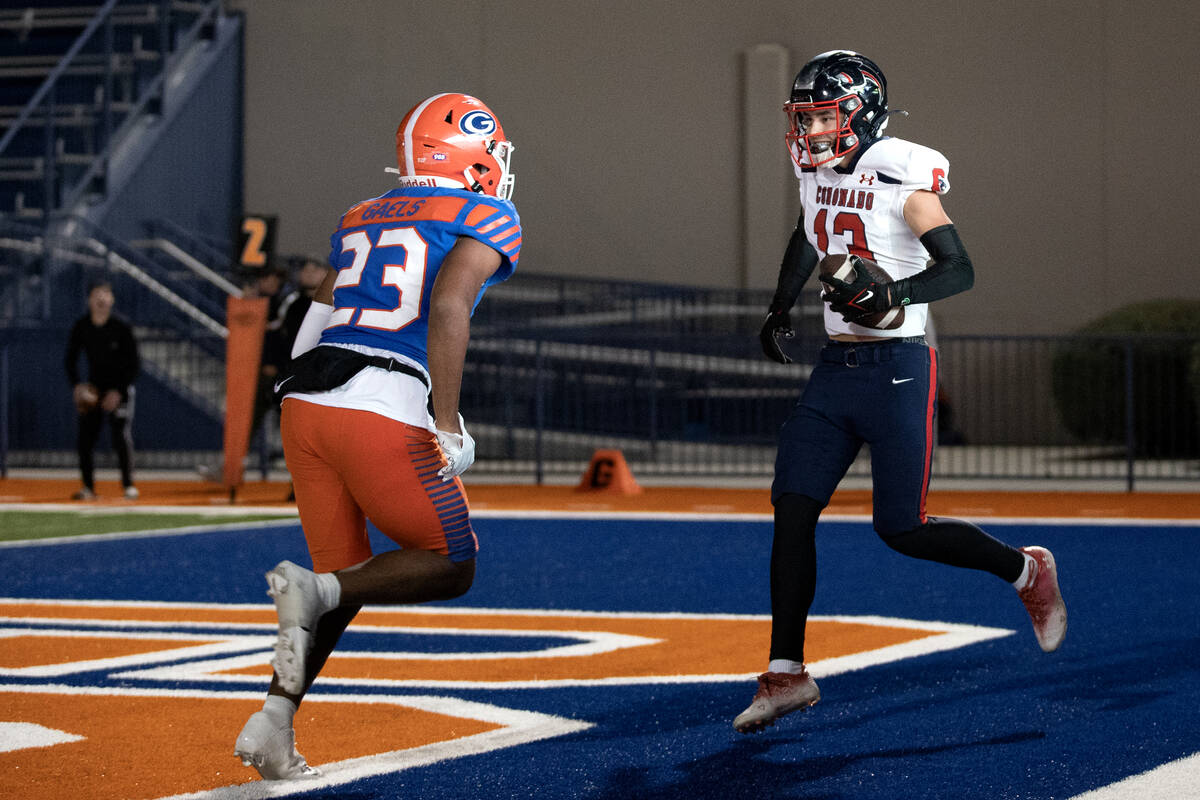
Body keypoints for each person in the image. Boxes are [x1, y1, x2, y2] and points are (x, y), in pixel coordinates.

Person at [734, 51, 1066, 734]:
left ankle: (1025, 571)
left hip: (898, 369)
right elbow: (808, 232)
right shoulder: (817, 172)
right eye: (806, 118)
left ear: (860, 110)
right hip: (835, 368)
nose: (812, 131)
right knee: (793, 509)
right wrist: (779, 304)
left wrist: (895, 292)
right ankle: (787, 672)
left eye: (824, 116)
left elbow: (959, 268)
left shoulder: (903, 174)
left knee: (902, 528)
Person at [234, 92, 520, 779]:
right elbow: (450, 305)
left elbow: (320, 307)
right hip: (382, 400)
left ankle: (273, 722)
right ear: (472, 152)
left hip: (308, 404)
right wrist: (446, 423)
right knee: (451, 562)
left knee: (345, 580)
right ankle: (309, 609)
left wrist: (294, 397)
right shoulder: (487, 211)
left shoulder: (362, 214)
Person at [63, 280, 140, 500]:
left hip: (120, 389)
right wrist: (77, 386)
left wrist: (118, 391)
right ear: (89, 299)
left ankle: (128, 485)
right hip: (94, 389)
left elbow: (134, 364)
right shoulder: (82, 326)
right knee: (85, 439)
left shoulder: (121, 327)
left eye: (106, 294)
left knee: (120, 436)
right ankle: (88, 487)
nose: (101, 298)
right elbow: (70, 360)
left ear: (112, 299)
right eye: (97, 293)